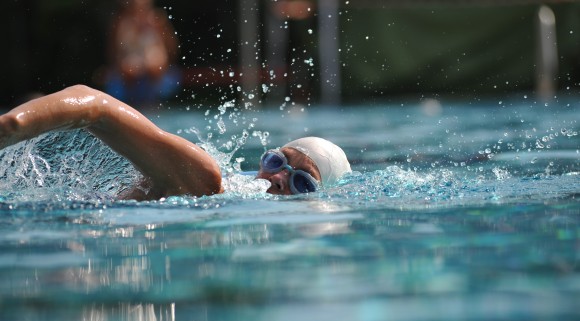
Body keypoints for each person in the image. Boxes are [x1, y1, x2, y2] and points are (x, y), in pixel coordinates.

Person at [0, 85, 351, 200]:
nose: (278, 178)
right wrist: (12, 125)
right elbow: (92, 104)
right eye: (277, 161)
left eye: (302, 184)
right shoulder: (206, 180)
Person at [104, 0, 180, 106]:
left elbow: (171, 49)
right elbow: (115, 51)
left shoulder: (157, 21)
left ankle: (153, 101)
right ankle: (132, 103)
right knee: (130, 67)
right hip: (129, 63)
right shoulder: (121, 22)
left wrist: (162, 28)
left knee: (155, 62)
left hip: (154, 63)